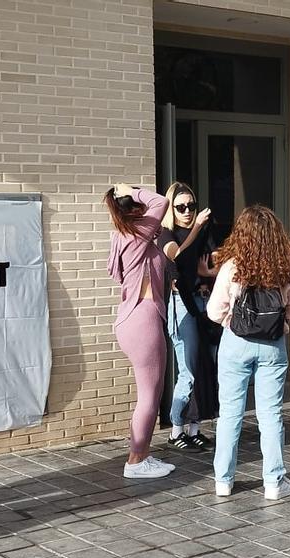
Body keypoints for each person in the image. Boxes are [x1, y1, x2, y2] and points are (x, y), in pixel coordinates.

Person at [206, 205, 290, 501]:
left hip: (235, 344)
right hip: (273, 346)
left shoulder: (232, 266)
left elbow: (213, 311)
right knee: (271, 414)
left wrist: (230, 321)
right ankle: (274, 482)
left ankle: (224, 480)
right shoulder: (286, 268)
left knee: (230, 414)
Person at [105, 183, 177, 480]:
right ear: (135, 211)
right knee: (150, 396)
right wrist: (133, 189)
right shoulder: (136, 232)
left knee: (146, 395)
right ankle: (136, 461)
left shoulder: (124, 237)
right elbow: (161, 202)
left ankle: (141, 455)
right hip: (143, 319)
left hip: (131, 320)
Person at [158, 182, 214, 453]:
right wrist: (196, 229)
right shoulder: (165, 234)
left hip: (202, 301)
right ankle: (175, 429)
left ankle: (194, 429)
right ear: (171, 208)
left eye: (191, 205)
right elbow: (178, 257)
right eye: (181, 206)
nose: (188, 211)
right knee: (188, 372)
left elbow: (210, 262)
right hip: (181, 305)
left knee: (203, 369)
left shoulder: (201, 230)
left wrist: (209, 275)